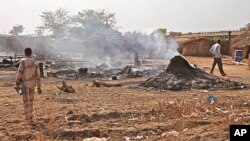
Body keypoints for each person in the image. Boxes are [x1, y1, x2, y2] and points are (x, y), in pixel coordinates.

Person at [15, 48, 42, 122]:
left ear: (25, 53)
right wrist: (39, 87)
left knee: (26, 101)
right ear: (31, 53)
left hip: (25, 84)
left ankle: (27, 118)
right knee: (31, 100)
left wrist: (17, 83)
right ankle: (30, 117)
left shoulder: (23, 62)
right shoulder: (35, 62)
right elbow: (38, 76)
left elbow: (19, 73)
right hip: (33, 84)